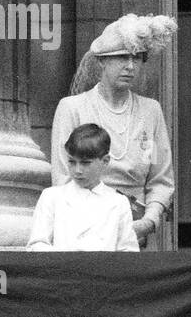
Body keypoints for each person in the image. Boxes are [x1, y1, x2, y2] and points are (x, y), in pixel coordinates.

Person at [51, 13, 177, 249]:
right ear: (101, 62)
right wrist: (103, 223)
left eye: (137, 58)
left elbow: (161, 179)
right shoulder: (72, 108)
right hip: (86, 228)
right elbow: (63, 178)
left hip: (139, 228)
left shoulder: (151, 111)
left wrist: (149, 221)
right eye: (121, 57)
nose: (130, 66)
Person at [28, 124, 138, 252]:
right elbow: (36, 245)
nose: (78, 170)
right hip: (62, 270)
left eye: (85, 163)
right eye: (72, 162)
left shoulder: (118, 202)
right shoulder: (52, 197)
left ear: (105, 161)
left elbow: (129, 253)